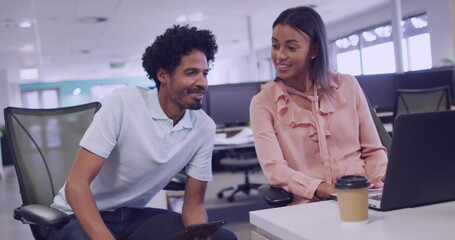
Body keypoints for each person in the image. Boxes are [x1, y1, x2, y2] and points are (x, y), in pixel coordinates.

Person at [48, 25, 237, 240]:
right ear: (163, 75)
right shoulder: (123, 103)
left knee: (224, 239)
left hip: (132, 217)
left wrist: (200, 236)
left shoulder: (204, 127)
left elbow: (194, 204)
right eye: (191, 73)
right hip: (76, 215)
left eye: (205, 73)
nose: (202, 82)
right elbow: (76, 185)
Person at [249, 6, 388, 205]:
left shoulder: (347, 85)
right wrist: (324, 189)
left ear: (314, 50)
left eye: (291, 47)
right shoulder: (263, 102)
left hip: (363, 195)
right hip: (309, 202)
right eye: (275, 45)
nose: (279, 55)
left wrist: (380, 178)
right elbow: (275, 170)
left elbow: (373, 150)